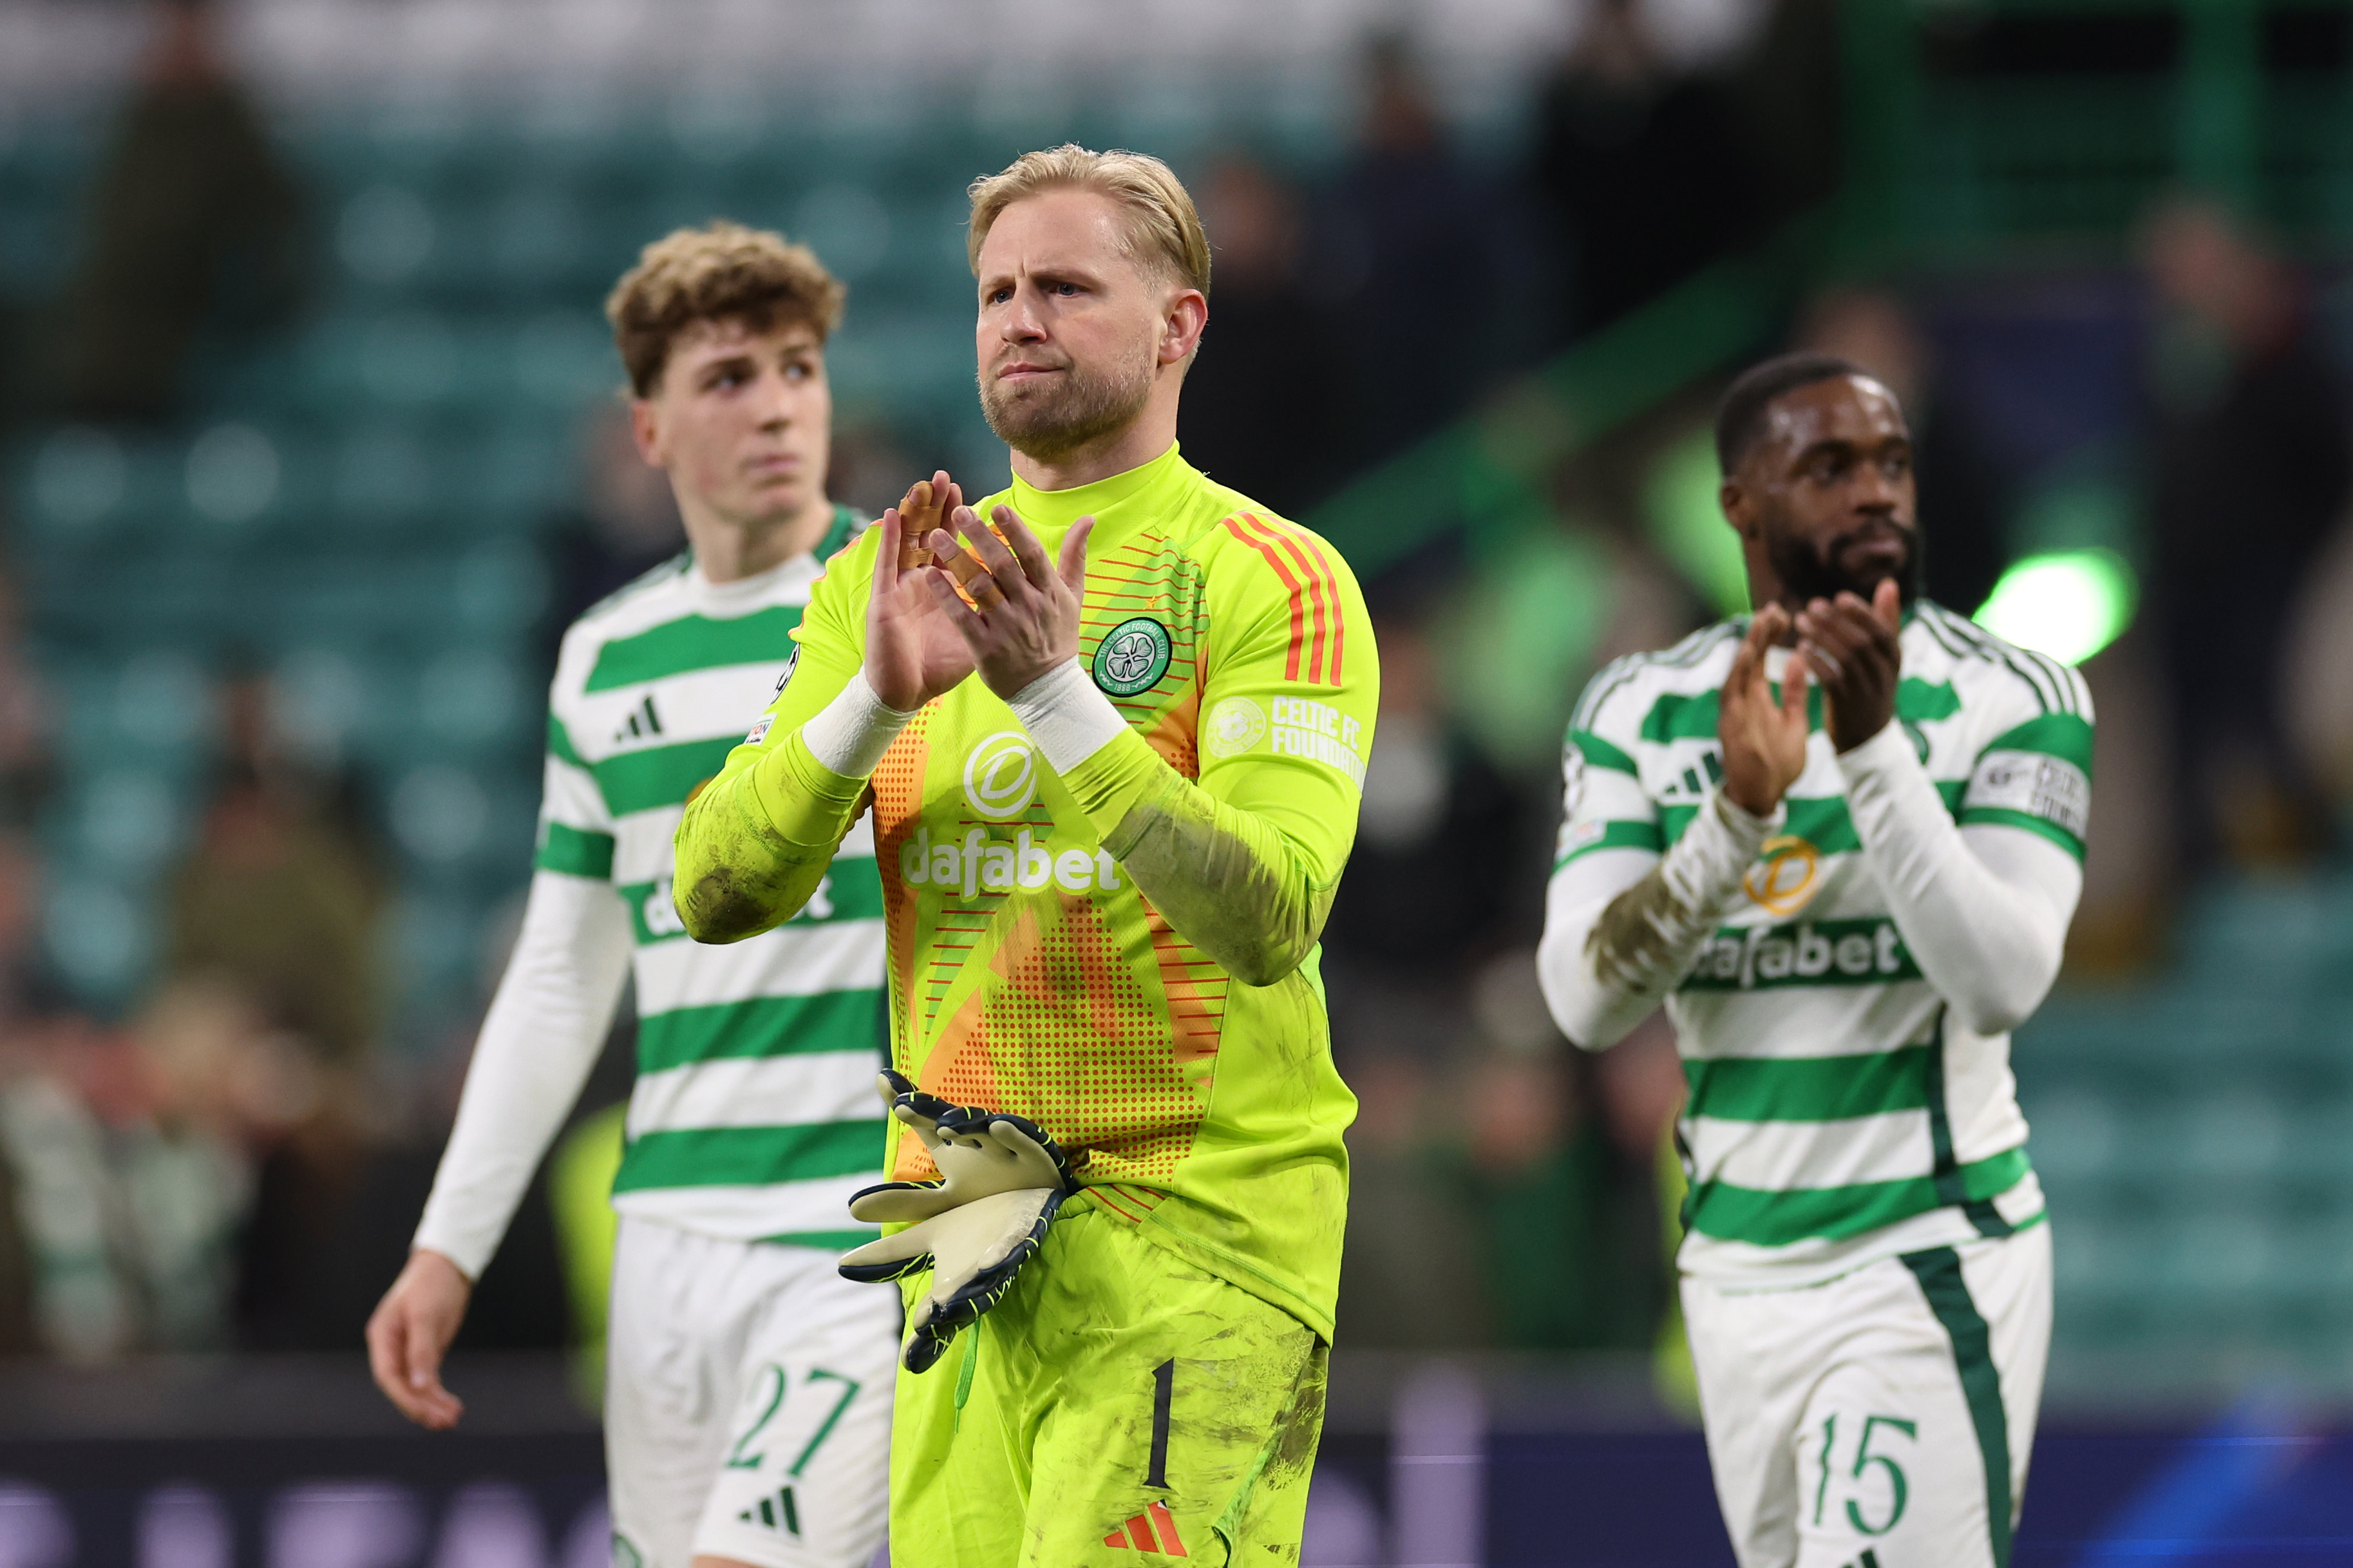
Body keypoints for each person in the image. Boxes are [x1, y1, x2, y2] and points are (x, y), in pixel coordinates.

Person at [673, 146, 1377, 1566]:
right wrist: (874, 700)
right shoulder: (881, 587)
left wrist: (1058, 698)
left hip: (1196, 1249)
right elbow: (715, 890)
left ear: (1179, 326)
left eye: (1064, 285)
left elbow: (1272, 913)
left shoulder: (1269, 575)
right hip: (965, 1260)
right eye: (995, 291)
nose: (1018, 318)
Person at [365, 223, 895, 1568]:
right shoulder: (606, 660)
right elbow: (561, 975)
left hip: (868, 1228)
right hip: (665, 1242)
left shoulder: (909, 611)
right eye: (728, 379)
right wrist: (448, 1245)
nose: (777, 404)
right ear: (647, 430)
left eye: (798, 368)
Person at [1536, 354, 2090, 1568]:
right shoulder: (1640, 710)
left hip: (1921, 1251)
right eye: (1829, 467)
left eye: (1891, 463)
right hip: (1734, 1270)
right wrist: (1733, 819)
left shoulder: (2014, 694)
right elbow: (1582, 999)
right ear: (1739, 502)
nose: (1876, 493)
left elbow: (2006, 980)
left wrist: (1876, 751)